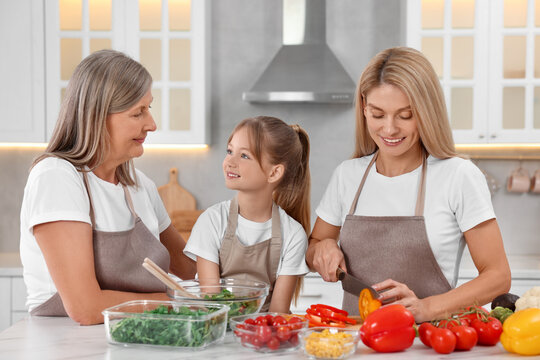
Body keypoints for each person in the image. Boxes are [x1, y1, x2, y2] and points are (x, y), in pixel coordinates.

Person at [306, 47, 511, 322]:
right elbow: (316, 243)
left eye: (405, 115)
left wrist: (428, 308)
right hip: (358, 343)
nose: (389, 129)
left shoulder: (458, 176)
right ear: (364, 107)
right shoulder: (347, 175)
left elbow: (497, 276)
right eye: (378, 115)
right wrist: (322, 249)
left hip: (428, 341)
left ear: (427, 112)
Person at [19, 49, 196, 325]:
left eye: (149, 108)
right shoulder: (56, 177)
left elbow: (191, 271)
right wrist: (182, 302)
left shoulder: (140, 186)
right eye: (138, 113)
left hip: (139, 336)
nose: (152, 124)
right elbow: (85, 308)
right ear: (98, 116)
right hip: (66, 344)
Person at [184, 116, 311, 313]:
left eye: (244, 156)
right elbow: (211, 304)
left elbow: (277, 314)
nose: (229, 162)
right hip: (219, 332)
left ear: (274, 173)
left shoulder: (293, 234)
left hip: (265, 336)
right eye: (229, 151)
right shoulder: (212, 221)